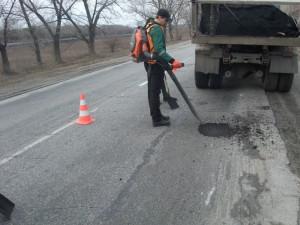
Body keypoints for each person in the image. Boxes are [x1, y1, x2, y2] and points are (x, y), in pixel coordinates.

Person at [144, 9, 183, 127]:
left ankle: (158, 115)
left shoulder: (149, 25)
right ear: (160, 17)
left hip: (150, 62)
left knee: (154, 91)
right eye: (166, 20)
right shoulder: (156, 29)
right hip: (155, 63)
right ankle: (156, 119)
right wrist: (172, 61)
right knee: (154, 92)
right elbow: (159, 50)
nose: (167, 22)